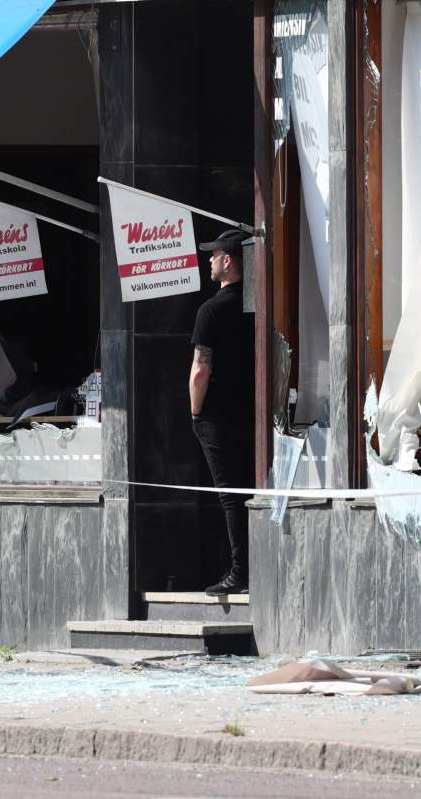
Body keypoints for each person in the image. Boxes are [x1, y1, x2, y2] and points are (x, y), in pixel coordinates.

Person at [189, 229, 255, 596]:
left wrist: (196, 411)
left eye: (213, 256)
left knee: (229, 494)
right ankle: (246, 567)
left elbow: (201, 368)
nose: (208, 261)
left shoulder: (210, 310)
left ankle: (240, 572)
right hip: (252, 414)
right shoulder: (257, 307)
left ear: (227, 262)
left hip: (216, 416)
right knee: (249, 489)